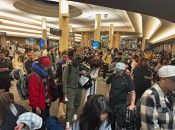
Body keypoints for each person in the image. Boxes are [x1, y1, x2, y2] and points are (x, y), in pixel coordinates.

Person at [62, 53, 91, 129]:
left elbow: (90, 70)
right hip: (70, 89)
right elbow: (64, 80)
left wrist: (85, 73)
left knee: (77, 103)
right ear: (73, 59)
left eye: (79, 61)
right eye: (76, 61)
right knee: (69, 106)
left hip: (79, 88)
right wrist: (65, 92)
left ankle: (75, 116)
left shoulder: (81, 66)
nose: (77, 62)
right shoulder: (68, 67)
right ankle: (67, 122)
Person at [28, 56, 52, 129]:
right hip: (39, 106)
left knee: (45, 122)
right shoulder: (34, 77)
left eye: (49, 65)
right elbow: (33, 94)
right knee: (39, 125)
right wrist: (36, 107)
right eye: (46, 65)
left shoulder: (44, 74)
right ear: (41, 65)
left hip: (45, 103)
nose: (48, 66)